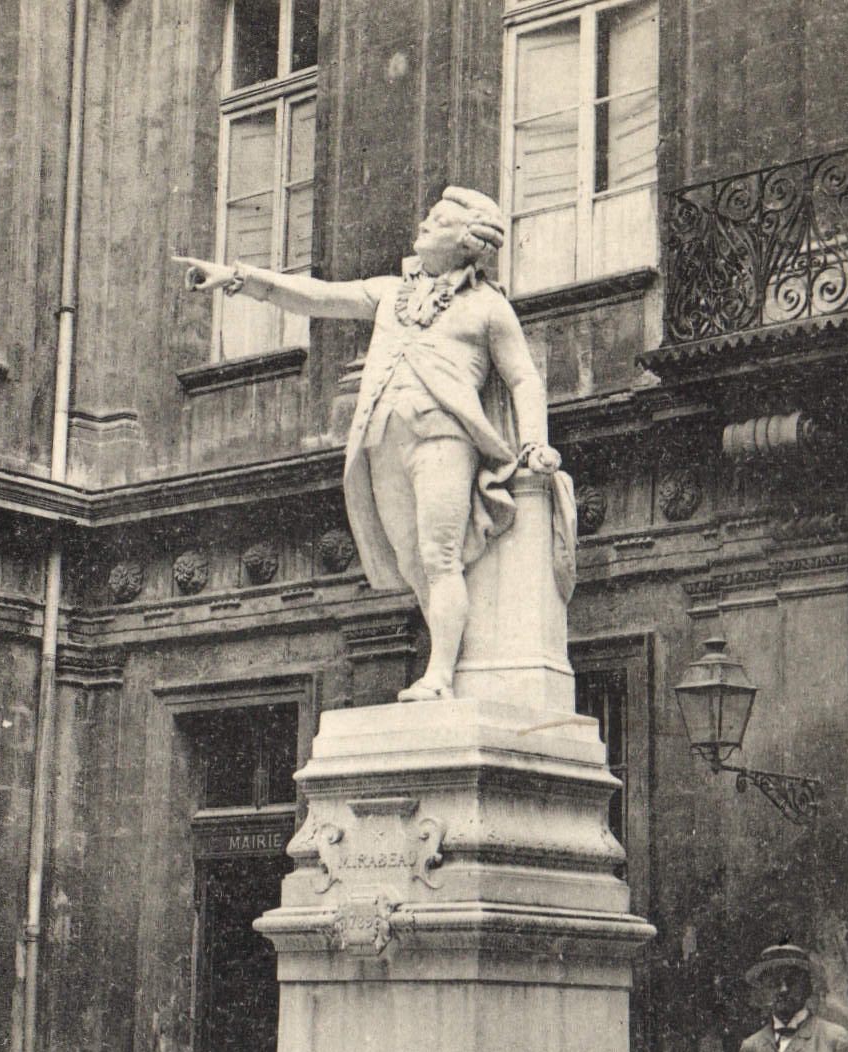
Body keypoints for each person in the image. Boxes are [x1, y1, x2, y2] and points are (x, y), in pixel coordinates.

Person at [177, 187, 570, 701]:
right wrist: (239, 277)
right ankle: (451, 662)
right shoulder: (390, 292)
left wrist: (535, 442)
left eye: (439, 219)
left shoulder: (488, 308)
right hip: (383, 439)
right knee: (410, 562)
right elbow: (316, 297)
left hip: (443, 437)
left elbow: (524, 379)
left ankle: (441, 677)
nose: (425, 223)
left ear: (467, 240)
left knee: (439, 556)